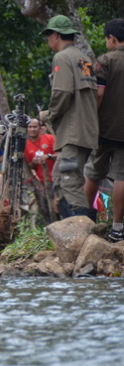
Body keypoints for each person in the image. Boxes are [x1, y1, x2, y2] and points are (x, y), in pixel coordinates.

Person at [39, 15, 99, 221]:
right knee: (59, 178)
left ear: (56, 35)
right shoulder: (84, 58)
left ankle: (84, 230)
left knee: (69, 179)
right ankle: (68, 229)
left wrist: (49, 115)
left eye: (48, 35)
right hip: (86, 130)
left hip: (73, 132)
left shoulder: (62, 58)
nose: (48, 40)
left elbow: (62, 93)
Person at [85, 18, 124, 242]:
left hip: (104, 129)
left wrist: (92, 121)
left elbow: (98, 94)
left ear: (112, 38)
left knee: (93, 172)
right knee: (121, 176)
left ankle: (86, 218)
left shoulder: (104, 61)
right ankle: (117, 227)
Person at [24, 118, 57, 224]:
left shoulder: (49, 138)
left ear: (40, 128)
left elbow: (60, 155)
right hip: (42, 182)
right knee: (45, 209)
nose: (32, 129)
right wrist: (33, 162)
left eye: (35, 127)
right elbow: (29, 166)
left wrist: (48, 156)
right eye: (30, 127)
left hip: (56, 179)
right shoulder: (26, 145)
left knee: (58, 207)